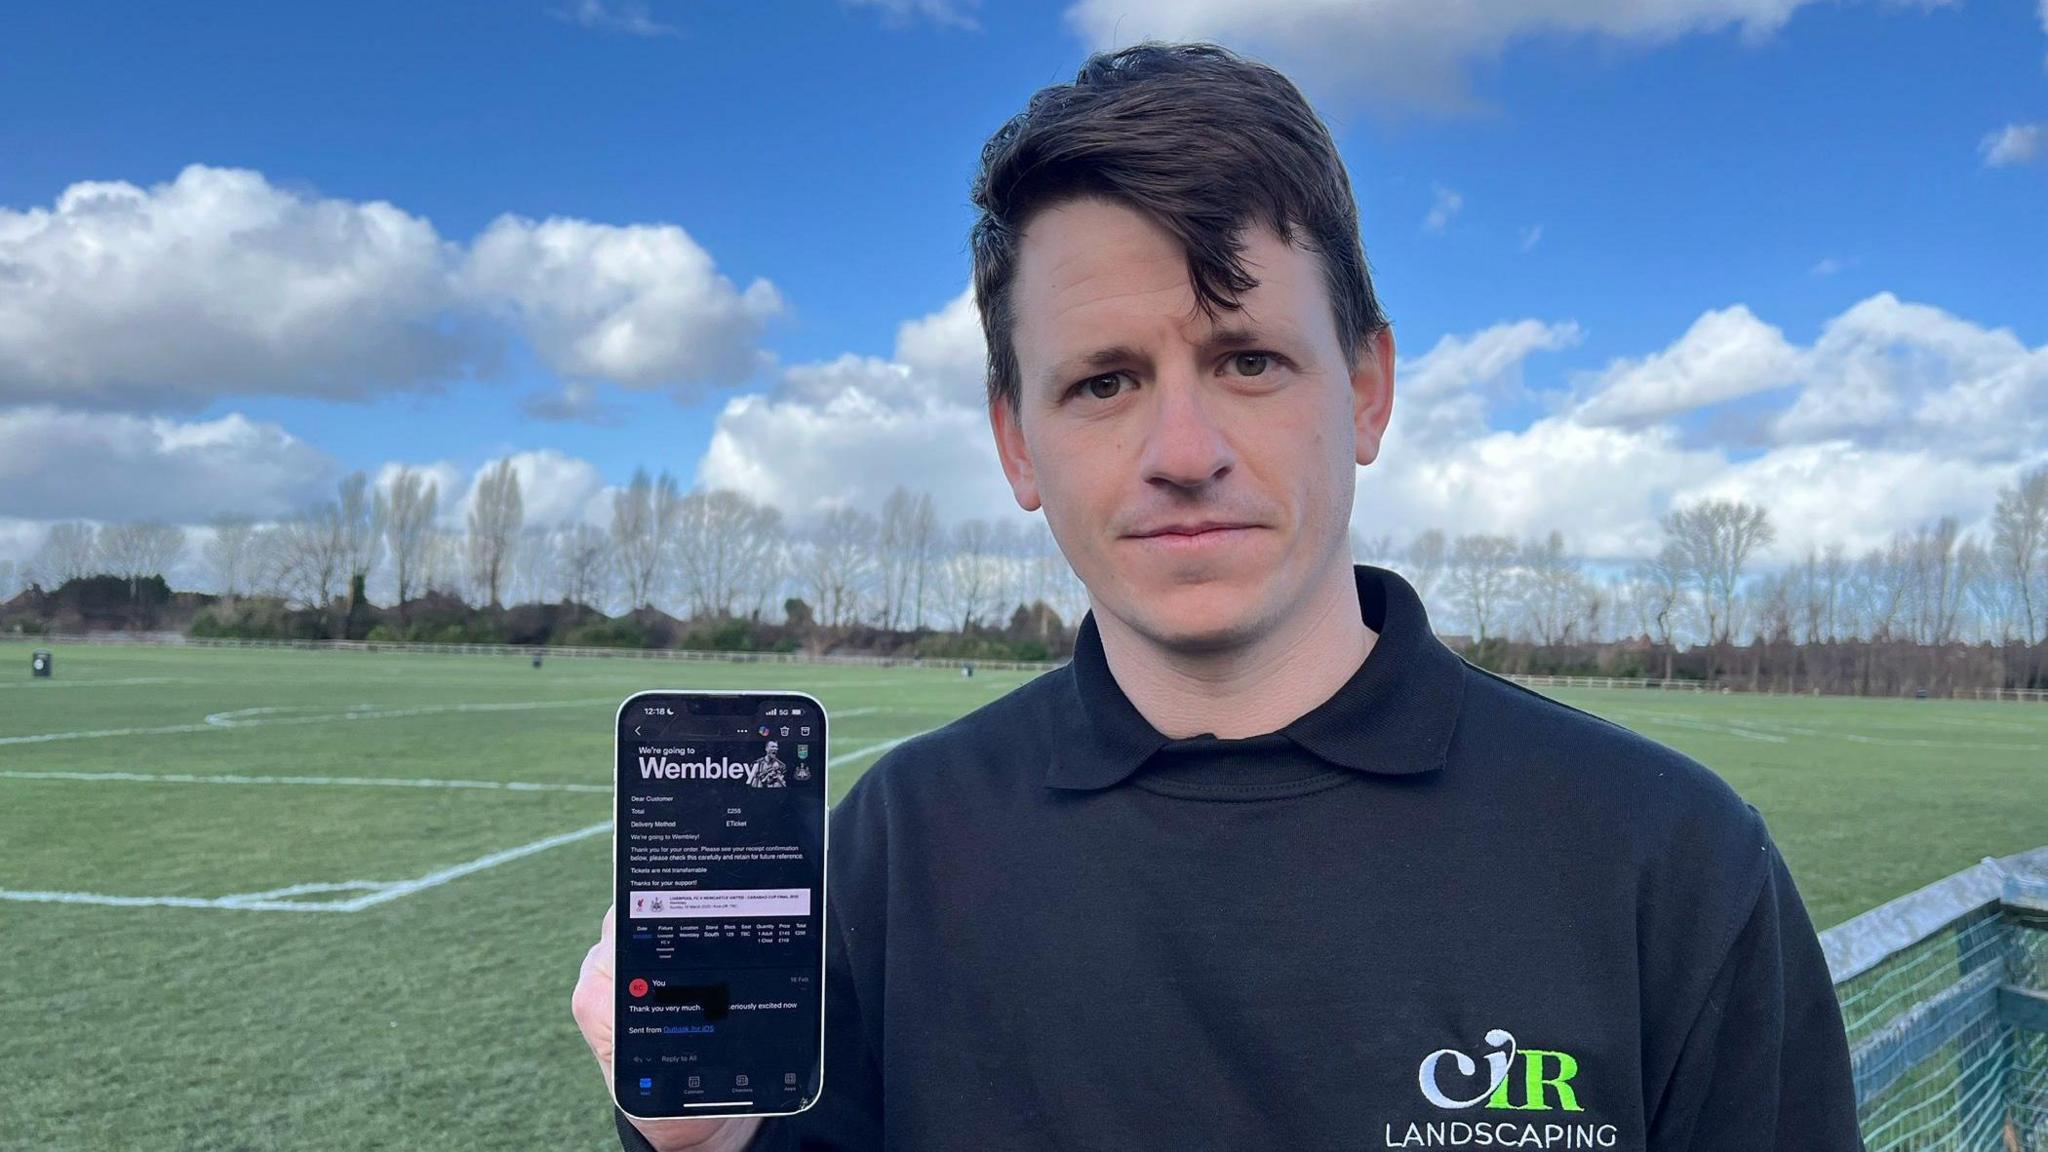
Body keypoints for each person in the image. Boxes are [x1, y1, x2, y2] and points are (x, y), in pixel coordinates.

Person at [573, 41, 1865, 1152]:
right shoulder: (893, 848)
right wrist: (703, 1140)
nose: (1182, 451)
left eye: (1248, 359)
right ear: (1016, 443)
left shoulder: (1669, 857)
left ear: (1366, 390)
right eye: (1103, 381)